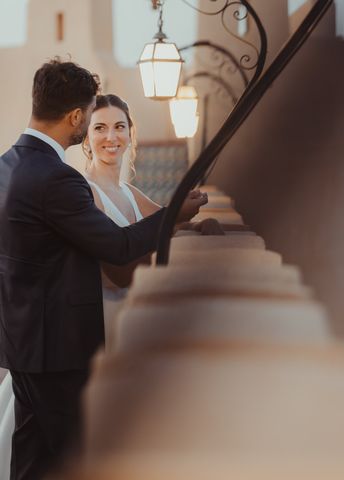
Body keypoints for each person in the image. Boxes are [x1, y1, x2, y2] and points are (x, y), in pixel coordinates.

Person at [0, 59, 206, 479]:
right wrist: (175, 217)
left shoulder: (6, 165)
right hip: (57, 349)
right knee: (80, 458)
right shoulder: (58, 178)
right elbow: (117, 246)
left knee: (32, 456)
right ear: (77, 117)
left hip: (20, 341)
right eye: (91, 120)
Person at [82, 93, 223, 348]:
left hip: (133, 316)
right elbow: (117, 271)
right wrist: (175, 219)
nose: (111, 137)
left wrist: (201, 225)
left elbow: (169, 223)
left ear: (130, 134)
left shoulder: (129, 191)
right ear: (86, 136)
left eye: (119, 127)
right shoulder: (86, 192)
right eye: (100, 128)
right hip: (105, 320)